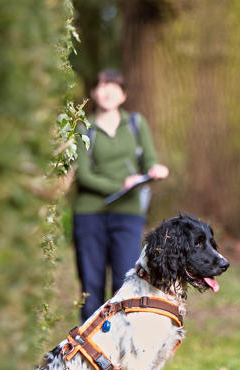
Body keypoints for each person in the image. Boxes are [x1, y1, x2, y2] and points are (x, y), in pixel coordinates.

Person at [73, 69, 169, 323]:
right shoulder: (83, 127)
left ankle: (122, 348)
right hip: (89, 214)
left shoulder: (136, 124)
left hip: (128, 214)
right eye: (102, 85)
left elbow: (150, 160)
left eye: (114, 86)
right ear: (93, 92)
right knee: (91, 287)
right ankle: (88, 350)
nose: (107, 91)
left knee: (125, 282)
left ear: (123, 94)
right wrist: (121, 184)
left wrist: (154, 170)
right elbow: (84, 175)